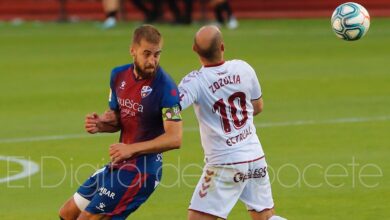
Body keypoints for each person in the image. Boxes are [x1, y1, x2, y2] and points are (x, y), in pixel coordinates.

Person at [59, 24, 183, 219]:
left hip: (142, 172)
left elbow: (175, 138)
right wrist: (101, 124)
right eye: (147, 54)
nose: (152, 61)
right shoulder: (118, 76)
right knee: (67, 213)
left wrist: (131, 149)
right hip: (119, 163)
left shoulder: (167, 89)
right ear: (132, 51)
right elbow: (120, 118)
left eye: (157, 54)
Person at [178, 25, 286, 220]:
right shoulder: (243, 68)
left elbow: (172, 107)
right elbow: (258, 107)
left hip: (224, 163)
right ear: (222, 47)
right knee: (265, 216)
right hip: (255, 157)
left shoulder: (194, 81)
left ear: (194, 49)